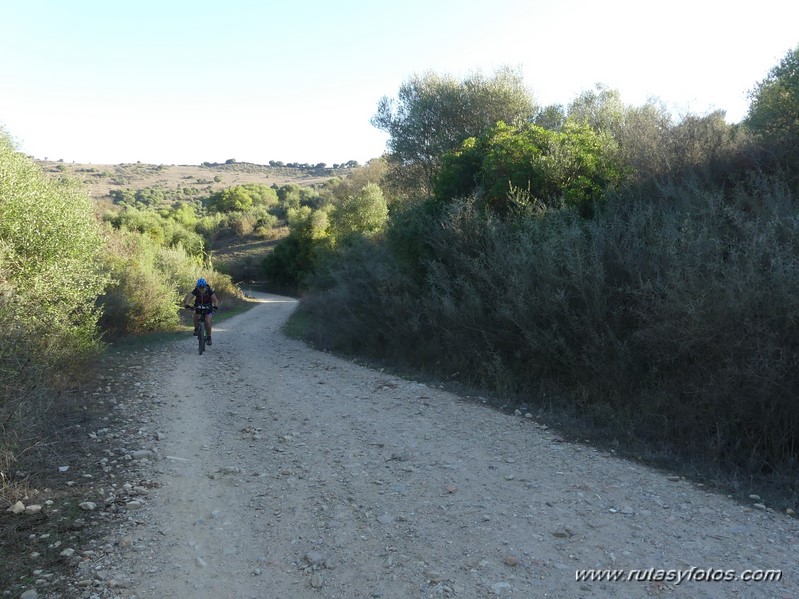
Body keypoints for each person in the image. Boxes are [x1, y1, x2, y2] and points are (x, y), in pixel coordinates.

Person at [184, 278, 219, 345]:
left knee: (208, 321)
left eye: (202, 287)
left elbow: (215, 300)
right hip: (198, 304)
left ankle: (209, 337)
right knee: (195, 313)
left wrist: (215, 306)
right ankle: (196, 329)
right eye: (200, 287)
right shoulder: (196, 290)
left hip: (208, 305)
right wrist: (187, 305)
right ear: (197, 286)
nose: (201, 289)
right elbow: (189, 297)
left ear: (205, 286)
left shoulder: (209, 290)